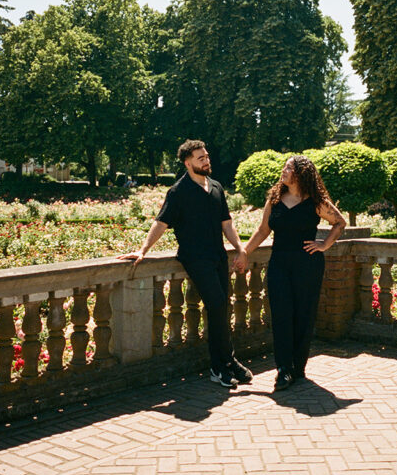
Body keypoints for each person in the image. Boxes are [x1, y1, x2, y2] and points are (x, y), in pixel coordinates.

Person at [123, 139, 252, 389]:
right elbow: (161, 223)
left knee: (221, 308)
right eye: (201, 158)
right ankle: (219, 367)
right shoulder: (178, 192)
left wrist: (240, 248)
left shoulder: (215, 186)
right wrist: (142, 250)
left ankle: (228, 361)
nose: (206, 160)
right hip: (195, 257)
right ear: (187, 162)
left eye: (207, 156)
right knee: (216, 303)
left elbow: (227, 223)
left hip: (217, 256)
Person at [237, 154, 346, 391]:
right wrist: (245, 251)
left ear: (300, 174)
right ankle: (283, 369)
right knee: (281, 315)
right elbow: (263, 230)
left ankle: (298, 366)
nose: (283, 170)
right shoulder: (275, 199)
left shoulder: (315, 201)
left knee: (304, 315)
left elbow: (340, 222)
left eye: (288, 168)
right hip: (279, 264)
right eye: (285, 167)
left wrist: (324, 244)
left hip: (307, 265)